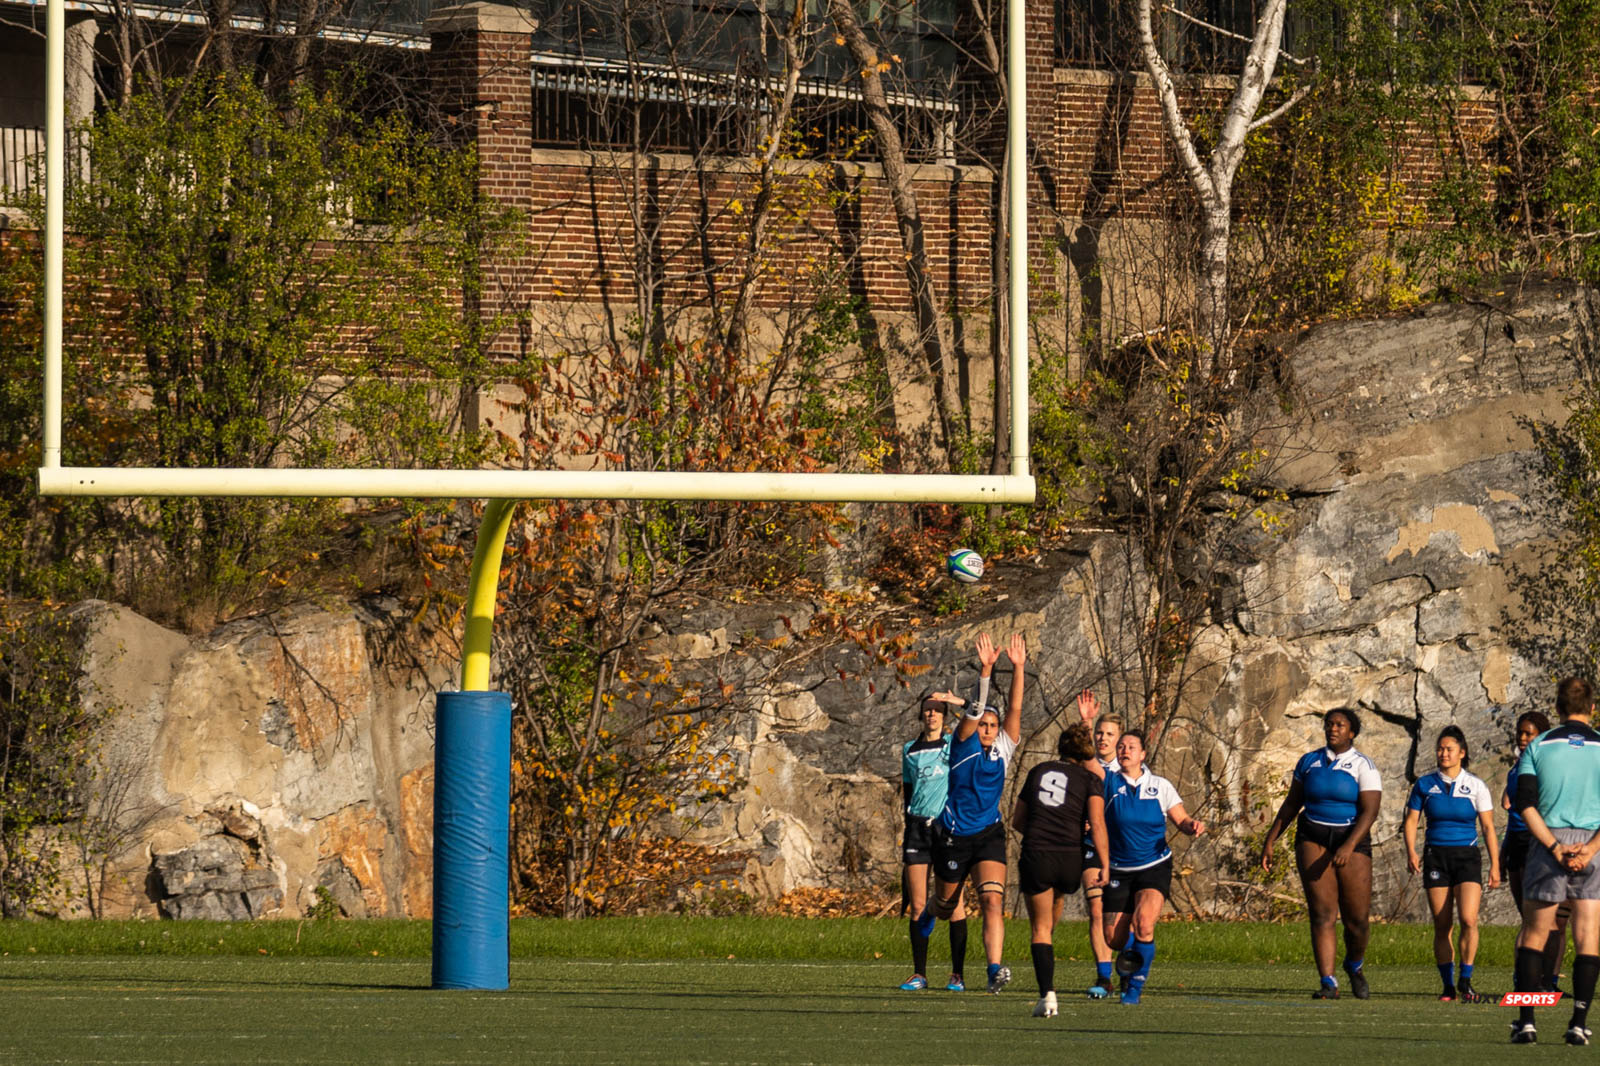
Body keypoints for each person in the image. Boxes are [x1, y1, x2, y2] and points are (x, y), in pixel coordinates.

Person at [926, 632, 1026, 995]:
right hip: (953, 835)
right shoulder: (962, 745)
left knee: (992, 900)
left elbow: (1014, 710)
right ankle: (931, 909)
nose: (986, 729)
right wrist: (985, 671)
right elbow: (971, 711)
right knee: (944, 906)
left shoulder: (1002, 748)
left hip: (988, 834)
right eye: (983, 724)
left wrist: (1018, 668)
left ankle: (994, 970)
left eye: (991, 725)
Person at [1259, 707, 1382, 999]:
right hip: (1312, 837)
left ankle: (1354, 964)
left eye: (1340, 725)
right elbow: (1291, 804)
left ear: (1352, 732)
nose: (1333, 729)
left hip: (1351, 839)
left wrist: (1349, 845)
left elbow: (1370, 811)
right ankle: (1328, 982)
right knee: (1322, 914)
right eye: (1329, 724)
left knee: (1357, 921)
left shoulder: (1363, 765)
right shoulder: (1309, 762)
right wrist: (1271, 839)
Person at [1509, 677, 1600, 1046]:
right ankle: (1578, 1023)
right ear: (1592, 708)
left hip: (1549, 842)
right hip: (1593, 843)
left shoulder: (1539, 746)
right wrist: (1591, 849)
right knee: (1588, 935)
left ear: (1558, 709)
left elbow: (1525, 803)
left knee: (1535, 932)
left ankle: (1527, 1022)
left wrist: (1554, 846)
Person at [1010, 720, 1109, 1017]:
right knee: (1055, 908)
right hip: (1070, 858)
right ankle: (1048, 965)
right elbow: (1098, 824)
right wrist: (1105, 864)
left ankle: (1047, 995)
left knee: (1040, 929)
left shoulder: (1038, 771)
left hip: (1039, 853)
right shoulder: (1090, 780)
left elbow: (1017, 822)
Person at [1100, 728, 1205, 1005]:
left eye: (1130, 747)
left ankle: (1134, 988)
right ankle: (1132, 955)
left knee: (1145, 924)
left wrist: (1190, 826)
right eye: (1120, 746)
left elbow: (1180, 819)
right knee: (1113, 939)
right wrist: (1088, 723)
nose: (1124, 750)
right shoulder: (1109, 782)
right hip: (1119, 868)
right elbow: (1088, 760)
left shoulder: (1160, 786)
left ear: (1143, 754)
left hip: (1153, 864)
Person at [1403, 725, 1501, 1002]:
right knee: (1441, 923)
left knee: (1469, 919)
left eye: (1449, 749)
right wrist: (1411, 850)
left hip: (1467, 857)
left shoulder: (1476, 785)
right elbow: (1411, 820)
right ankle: (1447, 985)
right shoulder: (1424, 784)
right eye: (1440, 748)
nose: (1443, 753)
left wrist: (1495, 864)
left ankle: (1466, 980)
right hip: (1436, 856)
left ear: (1462, 752)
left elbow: (1488, 827)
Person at [898, 693, 969, 992]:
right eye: (927, 710)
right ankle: (919, 974)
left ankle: (957, 975)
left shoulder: (952, 745)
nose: (932, 715)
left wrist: (960, 703)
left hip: (946, 830)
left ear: (945, 715)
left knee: (954, 904)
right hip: (917, 830)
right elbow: (908, 791)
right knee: (917, 905)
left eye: (937, 710)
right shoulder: (909, 749)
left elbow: (975, 720)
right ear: (921, 715)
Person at [1504, 710, 1571, 992]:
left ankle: (1548, 982)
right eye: (1520, 732)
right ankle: (1526, 983)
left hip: (1544, 841)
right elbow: (1513, 814)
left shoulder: (1548, 764)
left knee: (1556, 921)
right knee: (1533, 920)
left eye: (1528, 733)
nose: (1522, 738)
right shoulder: (1517, 768)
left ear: (1541, 736)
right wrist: (1501, 854)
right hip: (1524, 843)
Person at [1075, 689, 1122, 998]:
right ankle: (1103, 978)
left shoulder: (1129, 769)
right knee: (1096, 909)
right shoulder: (1084, 767)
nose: (1103, 738)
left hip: (1122, 850)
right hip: (1091, 847)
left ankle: (1129, 971)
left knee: (1117, 918)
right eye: (1099, 733)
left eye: (1109, 734)